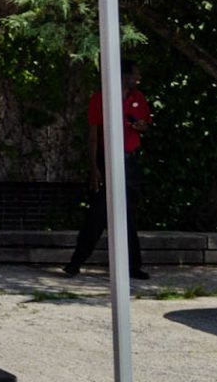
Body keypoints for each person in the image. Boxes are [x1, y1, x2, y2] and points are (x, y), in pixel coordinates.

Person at [65, 60, 150, 280]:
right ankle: (76, 261)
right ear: (124, 75)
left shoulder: (137, 98)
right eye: (135, 75)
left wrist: (140, 126)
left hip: (129, 160)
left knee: (129, 214)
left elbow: (146, 123)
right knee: (98, 213)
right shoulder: (100, 98)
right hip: (107, 158)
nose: (137, 79)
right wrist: (94, 168)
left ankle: (133, 266)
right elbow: (93, 136)